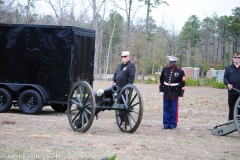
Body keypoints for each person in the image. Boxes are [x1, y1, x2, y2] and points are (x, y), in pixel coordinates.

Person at [159, 56, 185, 130]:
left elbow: (182, 83)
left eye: (172, 62)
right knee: (166, 108)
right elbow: (161, 80)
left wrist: (181, 93)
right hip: (166, 91)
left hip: (175, 92)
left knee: (174, 109)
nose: (170, 64)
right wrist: (161, 90)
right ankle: (166, 124)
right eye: (170, 62)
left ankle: (173, 124)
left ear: (175, 63)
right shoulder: (165, 69)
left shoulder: (180, 71)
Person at [111, 51, 136, 125]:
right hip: (119, 88)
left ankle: (126, 121)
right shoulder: (120, 66)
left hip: (126, 89)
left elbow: (131, 78)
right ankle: (121, 120)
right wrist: (113, 80)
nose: (123, 58)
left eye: (125, 56)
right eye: (122, 57)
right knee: (119, 104)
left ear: (128, 57)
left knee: (125, 105)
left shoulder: (131, 66)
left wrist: (128, 88)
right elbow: (116, 74)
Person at [223, 52, 240, 121]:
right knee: (232, 108)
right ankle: (230, 123)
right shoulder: (228, 68)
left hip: (239, 92)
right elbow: (225, 78)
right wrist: (228, 84)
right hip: (232, 92)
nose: (237, 59)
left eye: (238, 58)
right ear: (233, 59)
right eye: (235, 57)